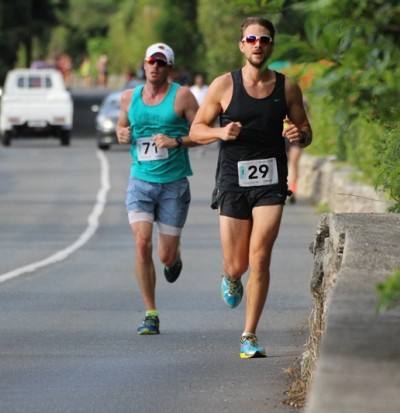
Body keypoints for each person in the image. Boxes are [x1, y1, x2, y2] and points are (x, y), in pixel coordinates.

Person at [189, 17, 312, 358]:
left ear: (271, 46)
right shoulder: (223, 85)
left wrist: (298, 134)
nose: (258, 44)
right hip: (232, 182)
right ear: (242, 45)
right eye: (252, 39)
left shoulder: (287, 88)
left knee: (260, 257)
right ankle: (230, 277)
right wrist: (219, 132)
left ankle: (249, 335)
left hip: (271, 181)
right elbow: (196, 129)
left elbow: (306, 131)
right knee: (237, 265)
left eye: (264, 39)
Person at [116, 42, 199, 335]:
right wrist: (121, 133)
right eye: (151, 61)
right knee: (142, 244)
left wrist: (176, 141)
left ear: (169, 68)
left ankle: (174, 259)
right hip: (140, 181)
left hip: (173, 184)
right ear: (144, 64)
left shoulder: (183, 97)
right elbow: (122, 127)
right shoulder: (129, 97)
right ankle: (151, 313)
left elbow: (203, 133)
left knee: (165, 256)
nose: (155, 67)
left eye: (161, 63)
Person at [284, 97, 309, 203]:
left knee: (293, 164)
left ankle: (292, 191)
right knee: (284, 163)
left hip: (296, 134)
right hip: (282, 135)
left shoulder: (303, 100)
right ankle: (283, 188)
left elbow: (307, 119)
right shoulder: (277, 95)